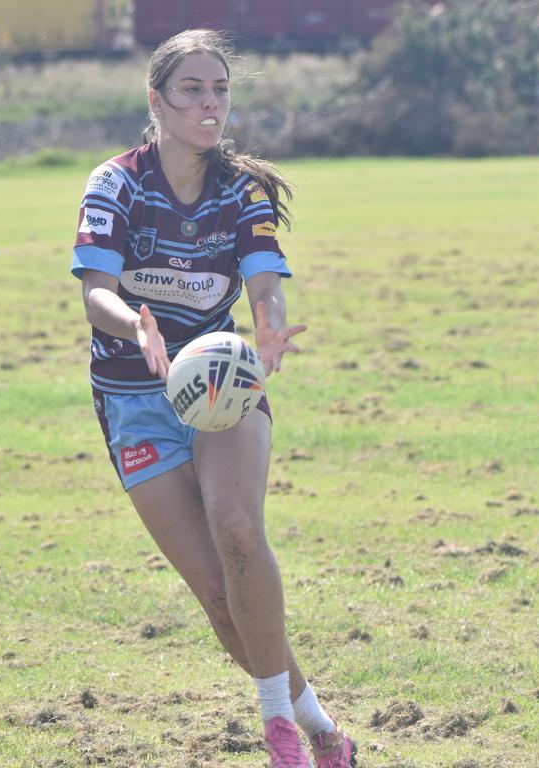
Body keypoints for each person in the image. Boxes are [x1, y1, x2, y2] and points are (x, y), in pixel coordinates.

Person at [72, 30, 356, 768]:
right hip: (132, 396)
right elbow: (97, 292)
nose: (210, 103)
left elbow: (263, 279)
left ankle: (278, 733)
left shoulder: (243, 189)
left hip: (222, 383)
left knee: (237, 529)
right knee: (219, 599)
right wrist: (134, 324)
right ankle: (321, 725)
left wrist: (266, 326)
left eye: (220, 90)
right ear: (156, 100)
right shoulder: (116, 184)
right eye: (193, 89)